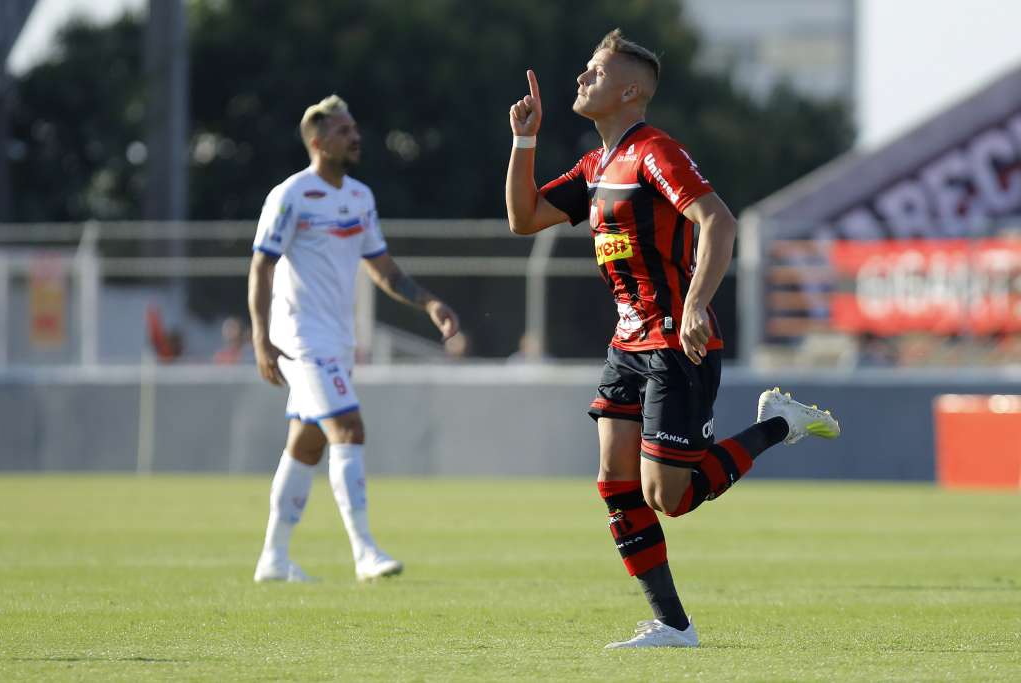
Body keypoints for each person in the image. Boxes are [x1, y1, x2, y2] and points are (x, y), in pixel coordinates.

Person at [505, 29, 841, 648]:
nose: (582, 79)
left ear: (630, 91)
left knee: (671, 497)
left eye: (595, 72)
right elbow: (524, 218)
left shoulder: (654, 151)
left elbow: (718, 220)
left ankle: (779, 424)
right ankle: (673, 626)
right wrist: (524, 139)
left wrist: (696, 306)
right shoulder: (594, 165)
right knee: (614, 482)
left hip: (674, 344)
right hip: (626, 344)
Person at [249, 94, 459, 583]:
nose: (355, 136)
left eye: (355, 128)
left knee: (306, 444)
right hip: (301, 338)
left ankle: (274, 558)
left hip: (338, 339)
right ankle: (364, 551)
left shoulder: (360, 197)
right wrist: (262, 340)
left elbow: (381, 266)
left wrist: (428, 302)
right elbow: (262, 264)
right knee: (348, 428)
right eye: (344, 131)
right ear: (318, 142)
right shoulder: (290, 195)